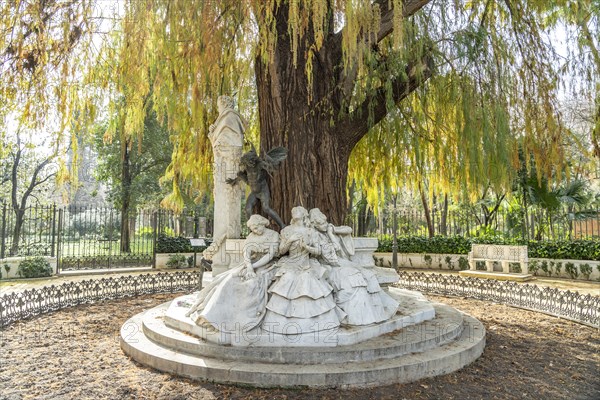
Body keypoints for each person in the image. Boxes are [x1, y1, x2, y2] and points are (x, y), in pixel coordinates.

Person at [186, 214, 279, 333]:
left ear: (262, 224)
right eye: (253, 229)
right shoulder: (252, 236)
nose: (255, 231)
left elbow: (270, 255)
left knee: (253, 283)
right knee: (228, 279)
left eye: (256, 228)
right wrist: (249, 266)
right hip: (250, 264)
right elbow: (247, 253)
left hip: (267, 264)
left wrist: (253, 268)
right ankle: (214, 317)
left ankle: (238, 319)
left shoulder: (273, 235)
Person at [262, 206, 346, 335]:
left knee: (308, 280)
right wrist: (289, 241)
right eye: (293, 211)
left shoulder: (311, 232)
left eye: (298, 210)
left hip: (306, 263)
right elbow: (281, 251)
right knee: (287, 278)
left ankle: (310, 324)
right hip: (290, 263)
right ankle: (283, 323)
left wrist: (306, 247)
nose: (294, 212)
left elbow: (318, 252)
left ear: (304, 215)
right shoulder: (286, 231)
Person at [309, 208, 399, 325]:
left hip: (340, 263)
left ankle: (378, 312)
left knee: (368, 274)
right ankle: (359, 316)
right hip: (330, 266)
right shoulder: (315, 236)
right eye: (321, 224)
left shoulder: (329, 229)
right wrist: (331, 236)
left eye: (325, 222)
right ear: (314, 225)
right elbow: (330, 256)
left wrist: (332, 231)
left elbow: (348, 229)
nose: (325, 225)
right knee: (353, 278)